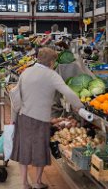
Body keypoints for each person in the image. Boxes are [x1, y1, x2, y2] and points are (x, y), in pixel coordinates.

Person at [10, 47, 83, 189]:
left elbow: (16, 94)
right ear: (51, 61)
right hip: (41, 118)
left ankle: (25, 183)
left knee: (24, 149)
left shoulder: (26, 72)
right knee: (40, 150)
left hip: (24, 116)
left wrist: (14, 117)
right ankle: (37, 182)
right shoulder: (52, 75)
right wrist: (79, 106)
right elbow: (68, 92)